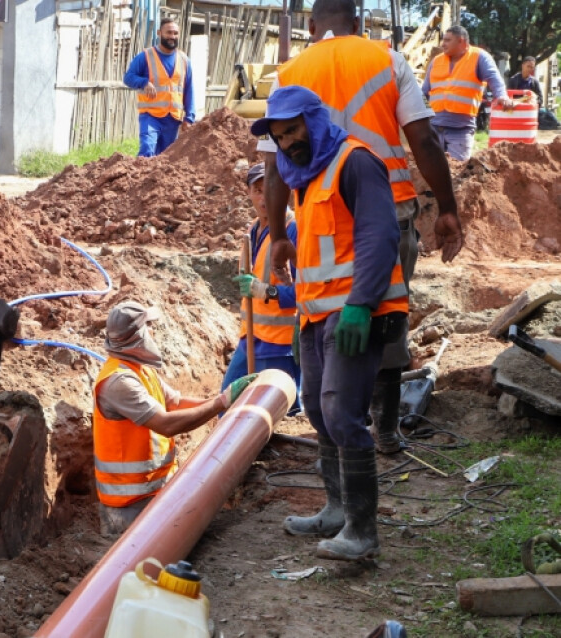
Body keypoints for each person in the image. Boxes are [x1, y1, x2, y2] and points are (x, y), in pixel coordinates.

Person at [260, 0, 464, 455]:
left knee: (323, 317)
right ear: (357, 23)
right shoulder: (387, 60)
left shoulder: (289, 74)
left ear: (311, 26)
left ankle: (339, 432)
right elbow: (425, 139)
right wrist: (447, 207)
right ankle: (385, 431)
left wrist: (277, 235)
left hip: (320, 216)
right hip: (387, 210)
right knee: (385, 314)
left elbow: (273, 169)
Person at [251, 86, 409, 561]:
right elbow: (318, 256)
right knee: (319, 412)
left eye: (293, 131)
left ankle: (362, 531)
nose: (287, 144)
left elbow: (380, 236)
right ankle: (337, 510)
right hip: (319, 313)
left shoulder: (354, 162)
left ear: (315, 121)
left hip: (357, 311)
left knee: (342, 413)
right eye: (279, 138)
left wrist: (361, 304)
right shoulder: (308, 174)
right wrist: (303, 314)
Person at [93, 301, 257, 535]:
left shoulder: (141, 370)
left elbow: (176, 403)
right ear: (138, 335)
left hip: (154, 494)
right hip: (130, 508)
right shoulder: (119, 382)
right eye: (150, 326)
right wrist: (221, 403)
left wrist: (227, 399)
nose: (154, 330)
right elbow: (166, 424)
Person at [222, 162, 301, 412]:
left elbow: (307, 291)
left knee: (277, 412)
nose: (264, 197)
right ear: (248, 193)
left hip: (280, 344)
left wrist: (266, 291)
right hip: (251, 338)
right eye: (257, 190)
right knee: (227, 405)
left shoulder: (294, 230)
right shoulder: (253, 230)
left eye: (271, 188)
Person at [422, 25, 513, 161]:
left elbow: (494, 78)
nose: (443, 44)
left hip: (460, 129)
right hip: (434, 127)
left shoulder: (479, 57)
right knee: (433, 171)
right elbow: (424, 92)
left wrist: (501, 96)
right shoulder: (436, 61)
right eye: (443, 40)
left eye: (448, 40)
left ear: (462, 42)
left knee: (457, 171)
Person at [123, 18, 196, 157]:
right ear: (159, 33)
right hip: (150, 116)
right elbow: (128, 78)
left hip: (173, 118)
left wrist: (189, 117)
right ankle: (141, 177)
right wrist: (144, 82)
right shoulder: (145, 57)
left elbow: (189, 89)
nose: (172, 36)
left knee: (167, 157)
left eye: (175, 33)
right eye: (169, 32)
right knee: (147, 149)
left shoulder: (184, 60)